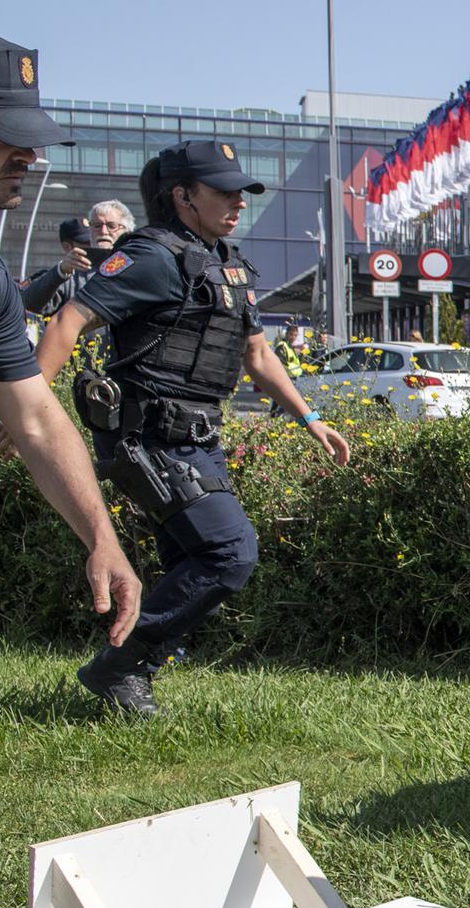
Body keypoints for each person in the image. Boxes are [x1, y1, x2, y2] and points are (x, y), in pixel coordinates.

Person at [34, 141, 351, 717]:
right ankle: (120, 666)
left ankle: (129, 675)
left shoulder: (223, 261)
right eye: (223, 191)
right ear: (182, 196)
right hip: (149, 438)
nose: (237, 202)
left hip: (197, 439)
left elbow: (257, 353)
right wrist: (29, 409)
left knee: (193, 562)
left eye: (241, 192)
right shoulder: (153, 256)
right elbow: (69, 318)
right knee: (230, 553)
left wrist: (311, 419)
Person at [0, 27, 141, 646]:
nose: (29, 156)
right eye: (5, 136)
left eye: (32, 141)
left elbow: (37, 421)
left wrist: (103, 540)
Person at [19, 216, 96, 316]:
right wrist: (60, 272)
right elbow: (28, 304)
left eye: (94, 240)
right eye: (86, 243)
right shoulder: (58, 279)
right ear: (67, 247)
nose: (93, 245)